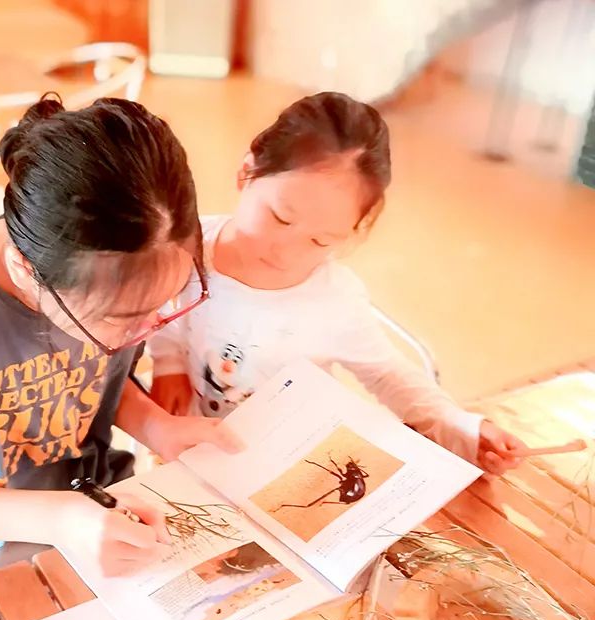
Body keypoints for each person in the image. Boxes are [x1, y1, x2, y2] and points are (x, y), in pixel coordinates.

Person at [0, 95, 237, 594]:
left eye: (162, 303)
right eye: (121, 320)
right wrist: (61, 519)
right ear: (23, 270)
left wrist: (155, 425)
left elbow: (94, 380)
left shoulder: (119, 268)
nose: (147, 330)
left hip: (83, 520)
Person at [149, 91, 525, 474]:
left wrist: (461, 428)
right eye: (280, 217)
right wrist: (168, 363)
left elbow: (386, 374)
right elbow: (163, 313)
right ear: (248, 172)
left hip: (291, 464)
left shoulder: (334, 298)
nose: (286, 251)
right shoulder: (186, 249)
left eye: (320, 241)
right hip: (197, 457)